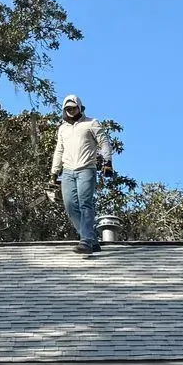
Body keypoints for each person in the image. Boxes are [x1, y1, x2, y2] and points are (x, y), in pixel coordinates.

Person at [50, 93, 112, 255]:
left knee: (85, 204)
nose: (70, 111)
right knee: (70, 206)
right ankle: (91, 239)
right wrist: (54, 173)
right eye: (67, 108)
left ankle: (85, 241)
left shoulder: (91, 123)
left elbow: (104, 142)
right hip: (68, 171)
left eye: (73, 107)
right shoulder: (62, 129)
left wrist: (107, 162)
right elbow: (59, 151)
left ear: (79, 107)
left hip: (86, 168)